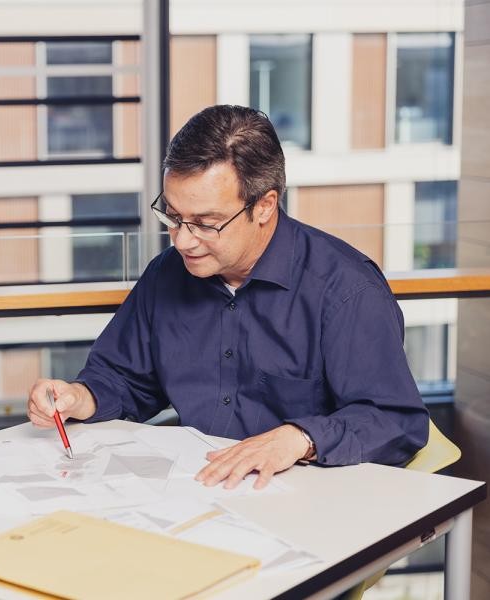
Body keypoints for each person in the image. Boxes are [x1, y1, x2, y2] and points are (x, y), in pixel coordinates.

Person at [28, 104, 428, 490]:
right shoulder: (167, 275)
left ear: (265, 206)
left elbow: (395, 420)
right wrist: (80, 397)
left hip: (307, 503)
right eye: (173, 216)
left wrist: (299, 439)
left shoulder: (345, 290)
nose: (183, 240)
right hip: (194, 492)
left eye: (206, 223)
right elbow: (126, 378)